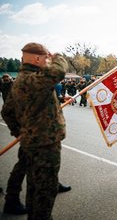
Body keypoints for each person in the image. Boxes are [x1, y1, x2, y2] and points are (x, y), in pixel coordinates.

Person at [1, 42, 69, 219]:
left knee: (34, 186)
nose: (48, 61)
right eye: (46, 58)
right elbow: (58, 72)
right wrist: (58, 56)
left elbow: (7, 111)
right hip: (44, 144)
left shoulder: (21, 81)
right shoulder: (32, 79)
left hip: (33, 142)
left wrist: (21, 131)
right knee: (45, 191)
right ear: (38, 59)